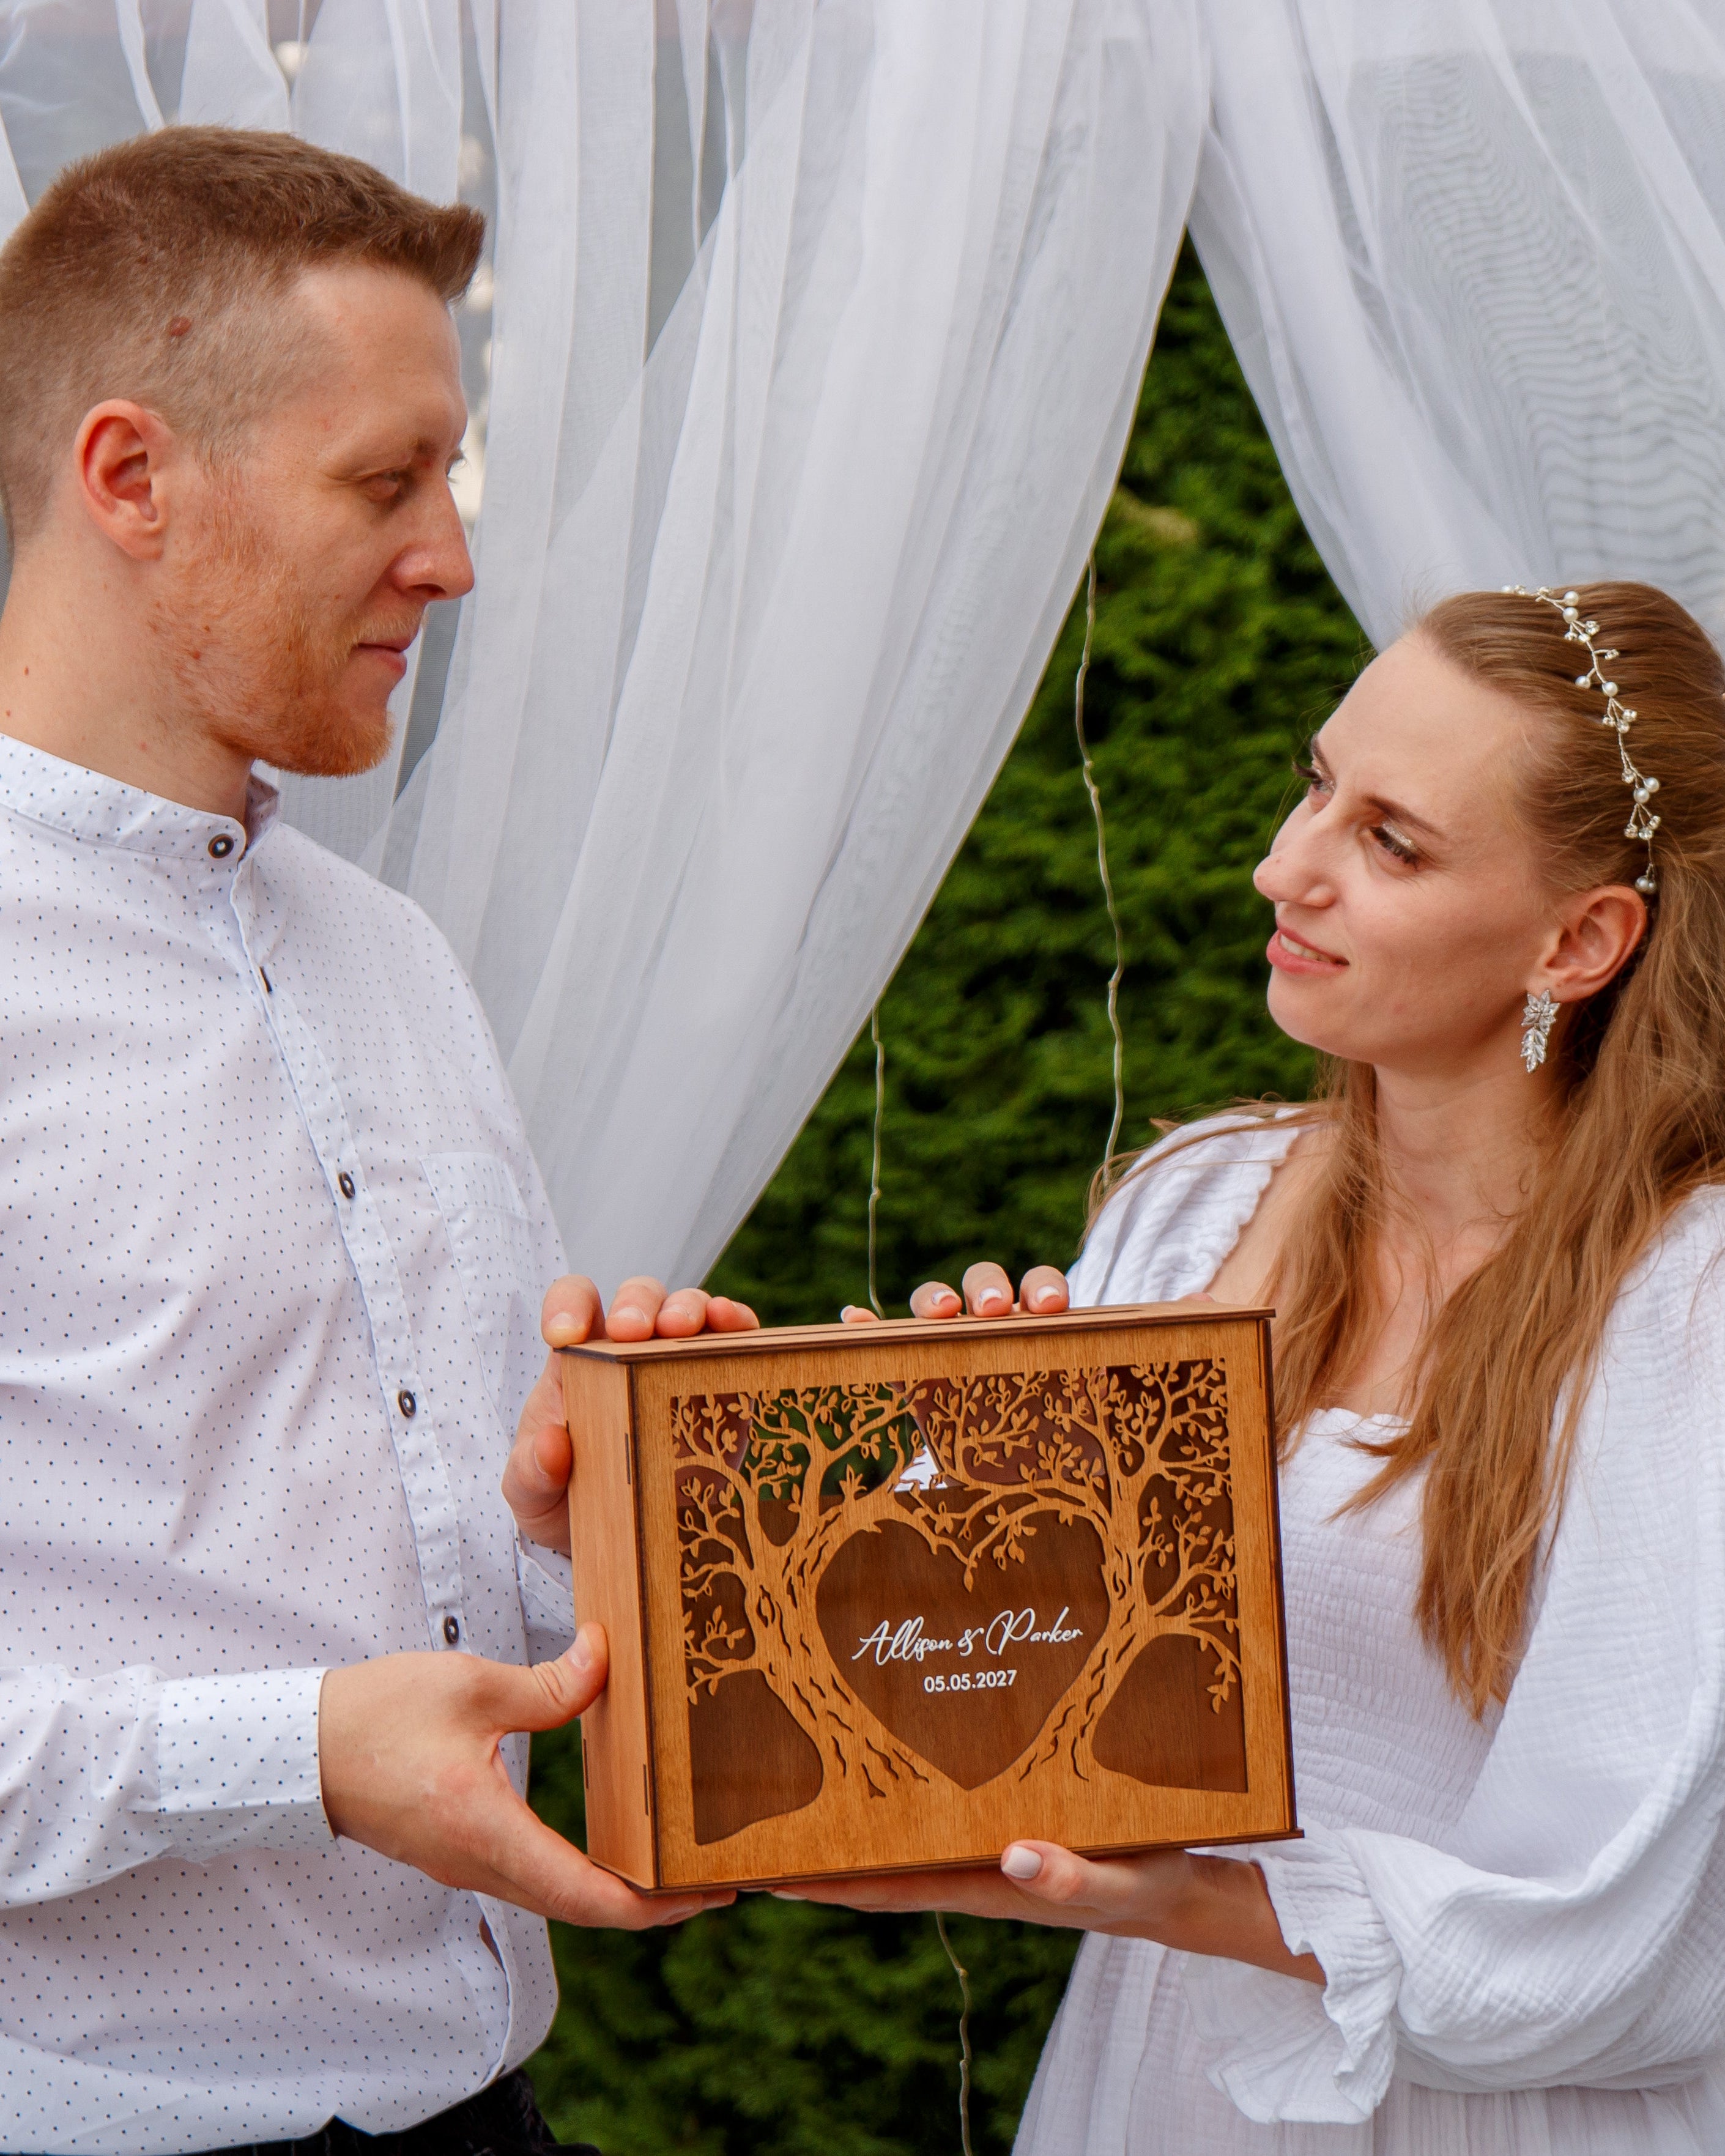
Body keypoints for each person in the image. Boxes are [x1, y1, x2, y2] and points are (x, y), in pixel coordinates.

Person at [0, 127, 751, 2155]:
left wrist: (570, 1500)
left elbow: (447, 1575)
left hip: (478, 2098)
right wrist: (308, 1752)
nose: (454, 553)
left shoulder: (396, 960)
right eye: (386, 478)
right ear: (131, 476)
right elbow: (336, 1721)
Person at [800, 580, 1725, 2148]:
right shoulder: (1193, 1209)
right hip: (1160, 2089)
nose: (1280, 866)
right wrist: (906, 1471)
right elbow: (991, 1687)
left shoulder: (1690, 1309)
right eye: (1317, 783)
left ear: (1583, 938)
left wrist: (1210, 1894)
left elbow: (1647, 1931)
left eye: (1392, 841)